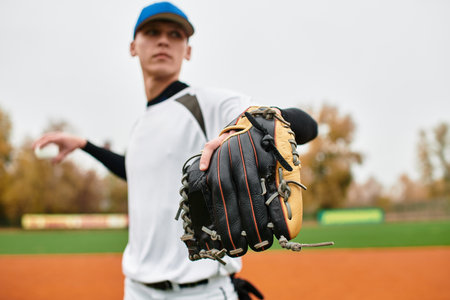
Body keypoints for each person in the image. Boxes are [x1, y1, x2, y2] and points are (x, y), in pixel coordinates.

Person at [33, 2, 318, 299]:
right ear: (133, 47)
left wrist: (254, 129)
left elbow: (303, 124)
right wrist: (85, 145)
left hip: (202, 291)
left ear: (188, 50)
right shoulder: (141, 124)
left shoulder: (204, 103)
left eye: (175, 34)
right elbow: (135, 171)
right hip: (136, 290)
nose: (163, 40)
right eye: (152, 32)